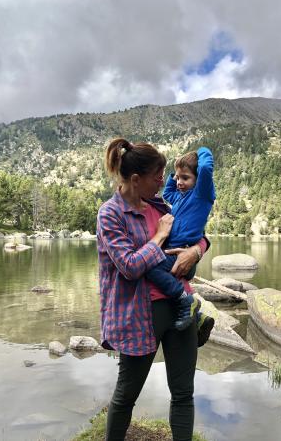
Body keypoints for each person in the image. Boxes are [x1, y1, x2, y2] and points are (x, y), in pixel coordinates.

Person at [97, 138, 209, 441]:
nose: (164, 182)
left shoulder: (160, 204)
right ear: (136, 180)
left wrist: (195, 252)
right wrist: (159, 237)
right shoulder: (111, 214)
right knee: (126, 396)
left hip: (180, 306)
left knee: (183, 393)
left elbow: (198, 236)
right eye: (157, 176)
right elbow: (130, 267)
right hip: (139, 314)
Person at [144, 147, 215, 343]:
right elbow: (168, 192)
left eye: (185, 178)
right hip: (178, 253)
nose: (179, 182)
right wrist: (174, 173)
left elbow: (207, 169)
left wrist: (202, 150)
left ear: (198, 179)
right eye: (177, 178)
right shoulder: (180, 196)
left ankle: (185, 300)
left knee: (150, 268)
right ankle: (196, 315)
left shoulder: (202, 194)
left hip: (182, 251)